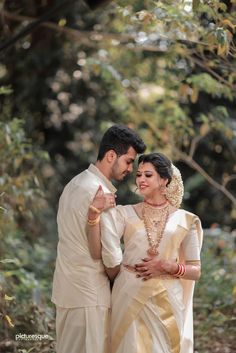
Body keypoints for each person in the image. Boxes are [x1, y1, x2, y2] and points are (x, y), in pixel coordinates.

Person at [88, 152, 203, 353]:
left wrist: (168, 266)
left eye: (148, 175)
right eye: (139, 175)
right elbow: (102, 240)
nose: (141, 179)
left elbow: (196, 271)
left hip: (167, 297)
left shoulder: (186, 220)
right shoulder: (124, 213)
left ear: (164, 180)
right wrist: (93, 214)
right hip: (128, 291)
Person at [51, 124, 146, 353]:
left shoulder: (73, 185)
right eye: (129, 161)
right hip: (91, 296)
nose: (130, 169)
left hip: (66, 290)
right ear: (111, 155)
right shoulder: (101, 195)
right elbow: (110, 258)